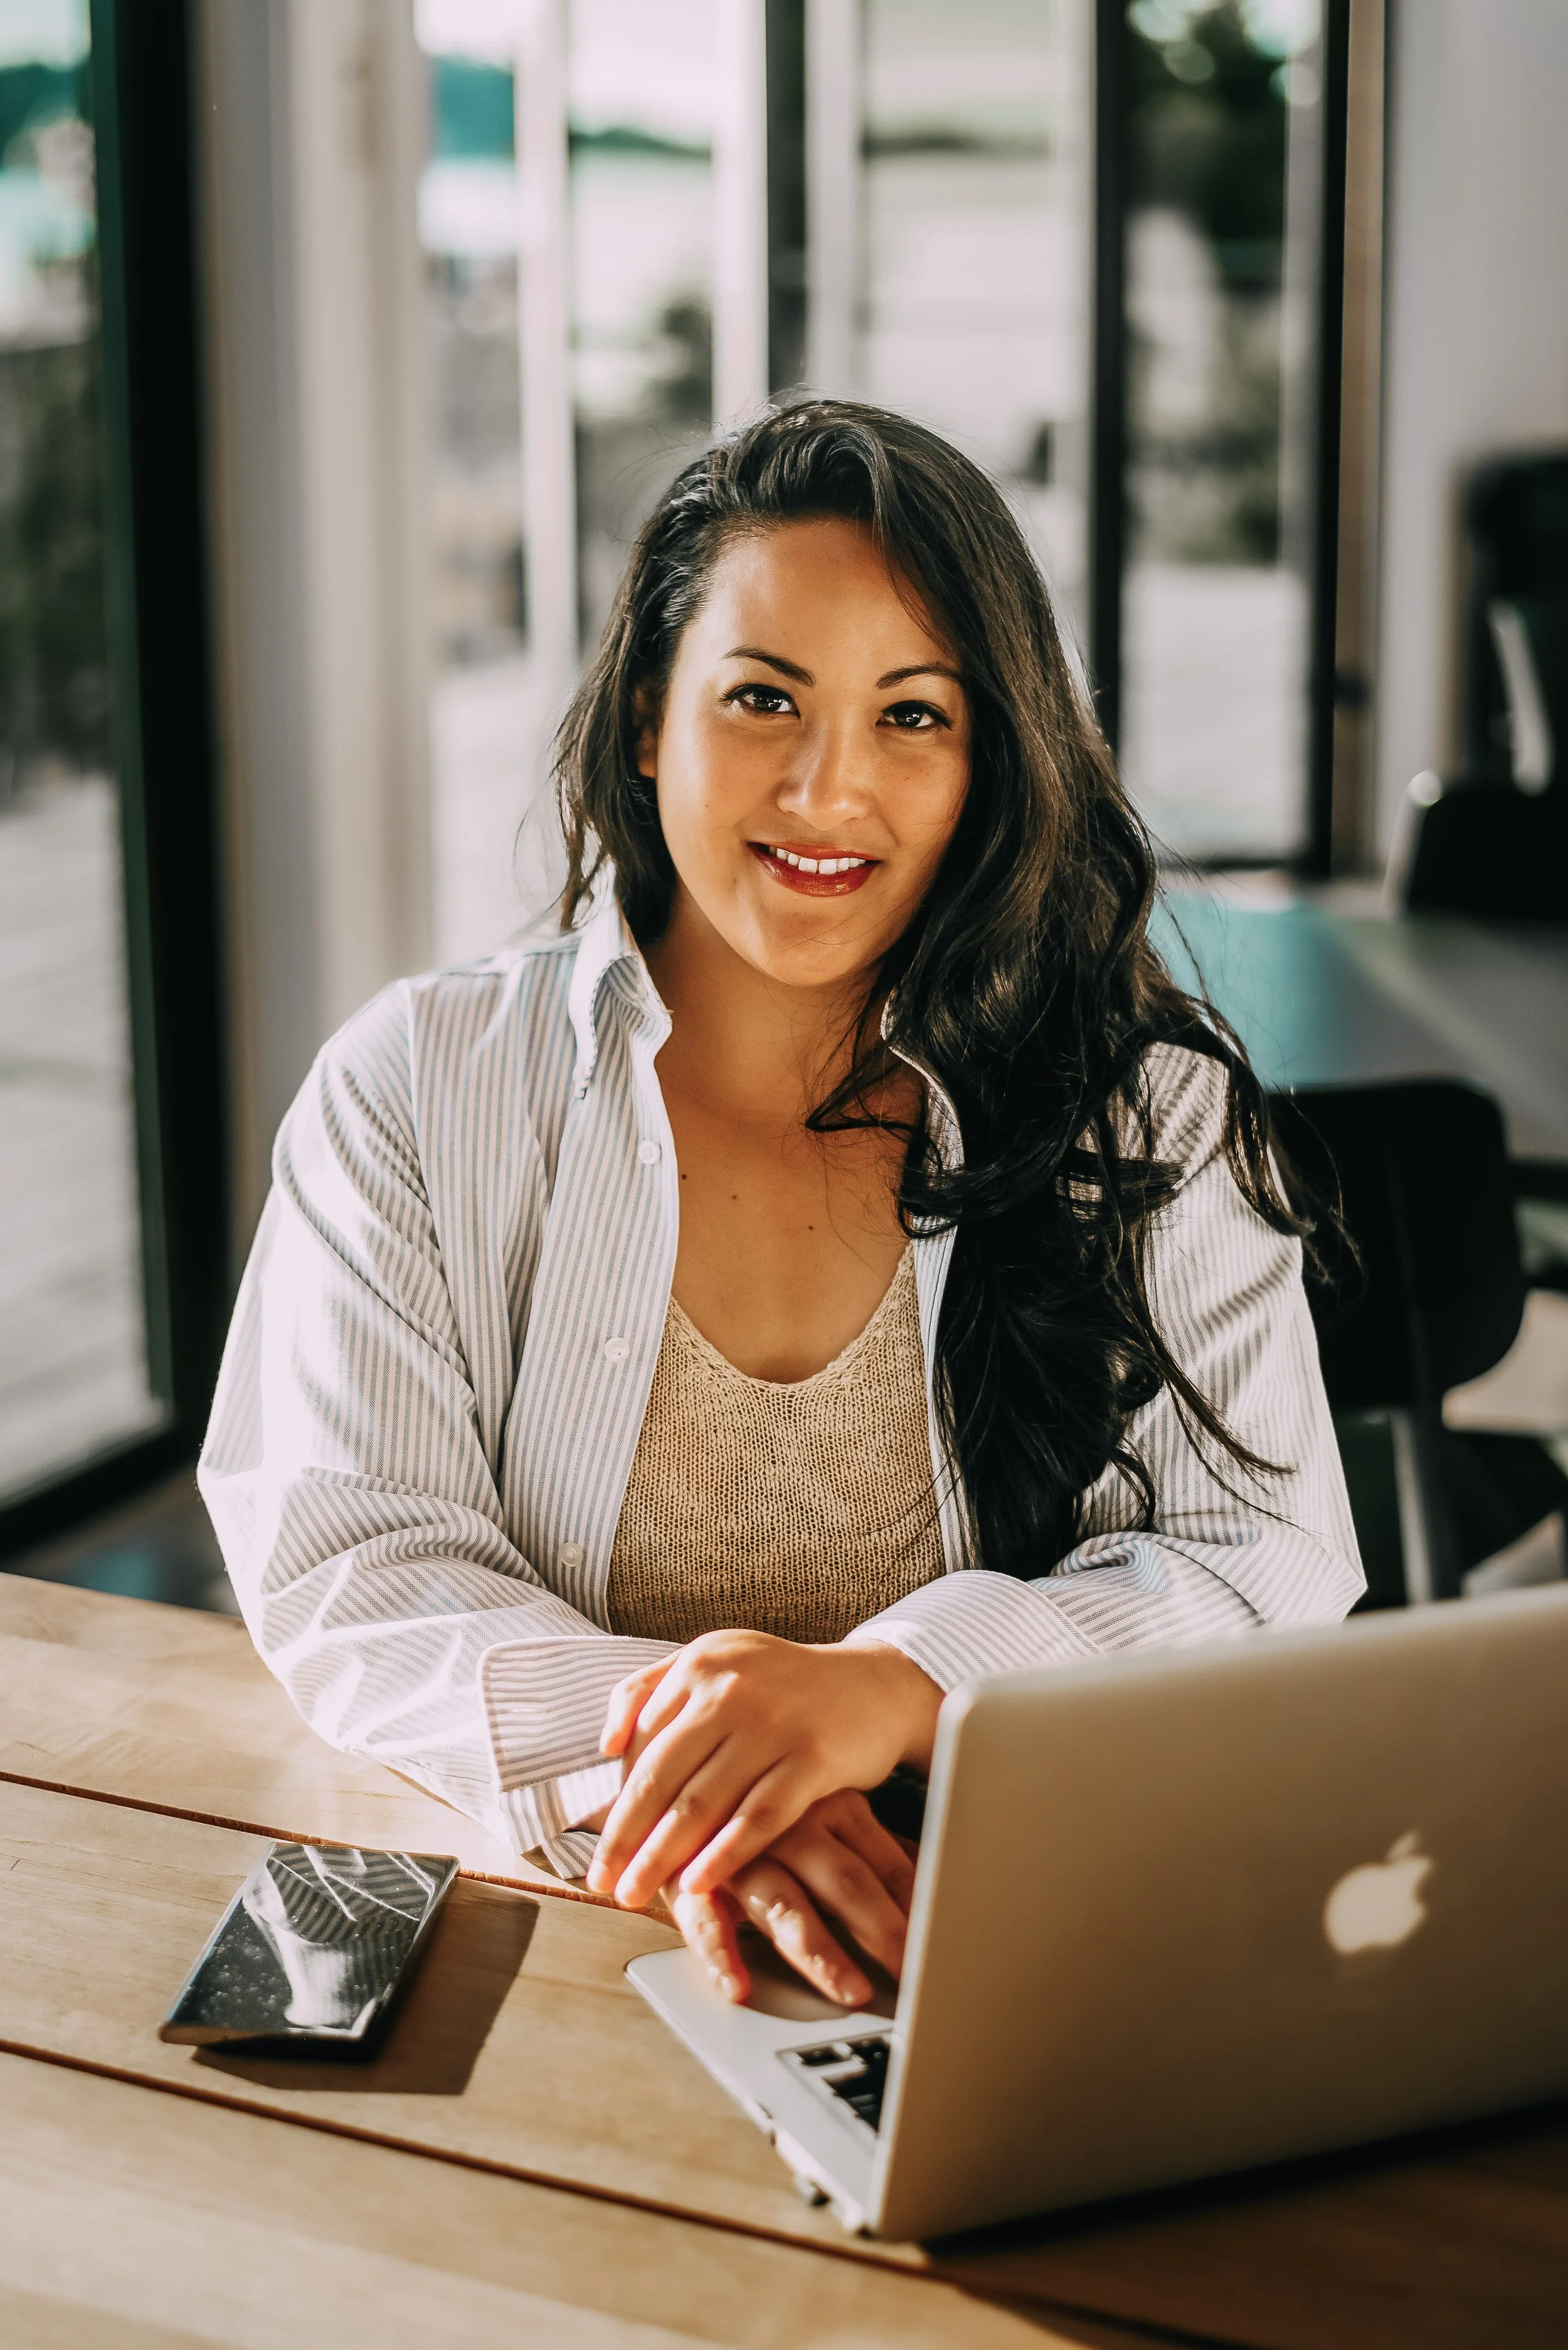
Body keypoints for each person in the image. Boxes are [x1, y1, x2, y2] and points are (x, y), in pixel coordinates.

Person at [199, 400, 1363, 2011]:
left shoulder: (1142, 1109)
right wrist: (710, 1796)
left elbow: (1272, 1560)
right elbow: (351, 1565)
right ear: (644, 727)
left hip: (1029, 1954)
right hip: (581, 1934)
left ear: (990, 759)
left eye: (912, 717)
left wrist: (892, 1689)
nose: (830, 791)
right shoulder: (416, 1087)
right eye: (762, 699)